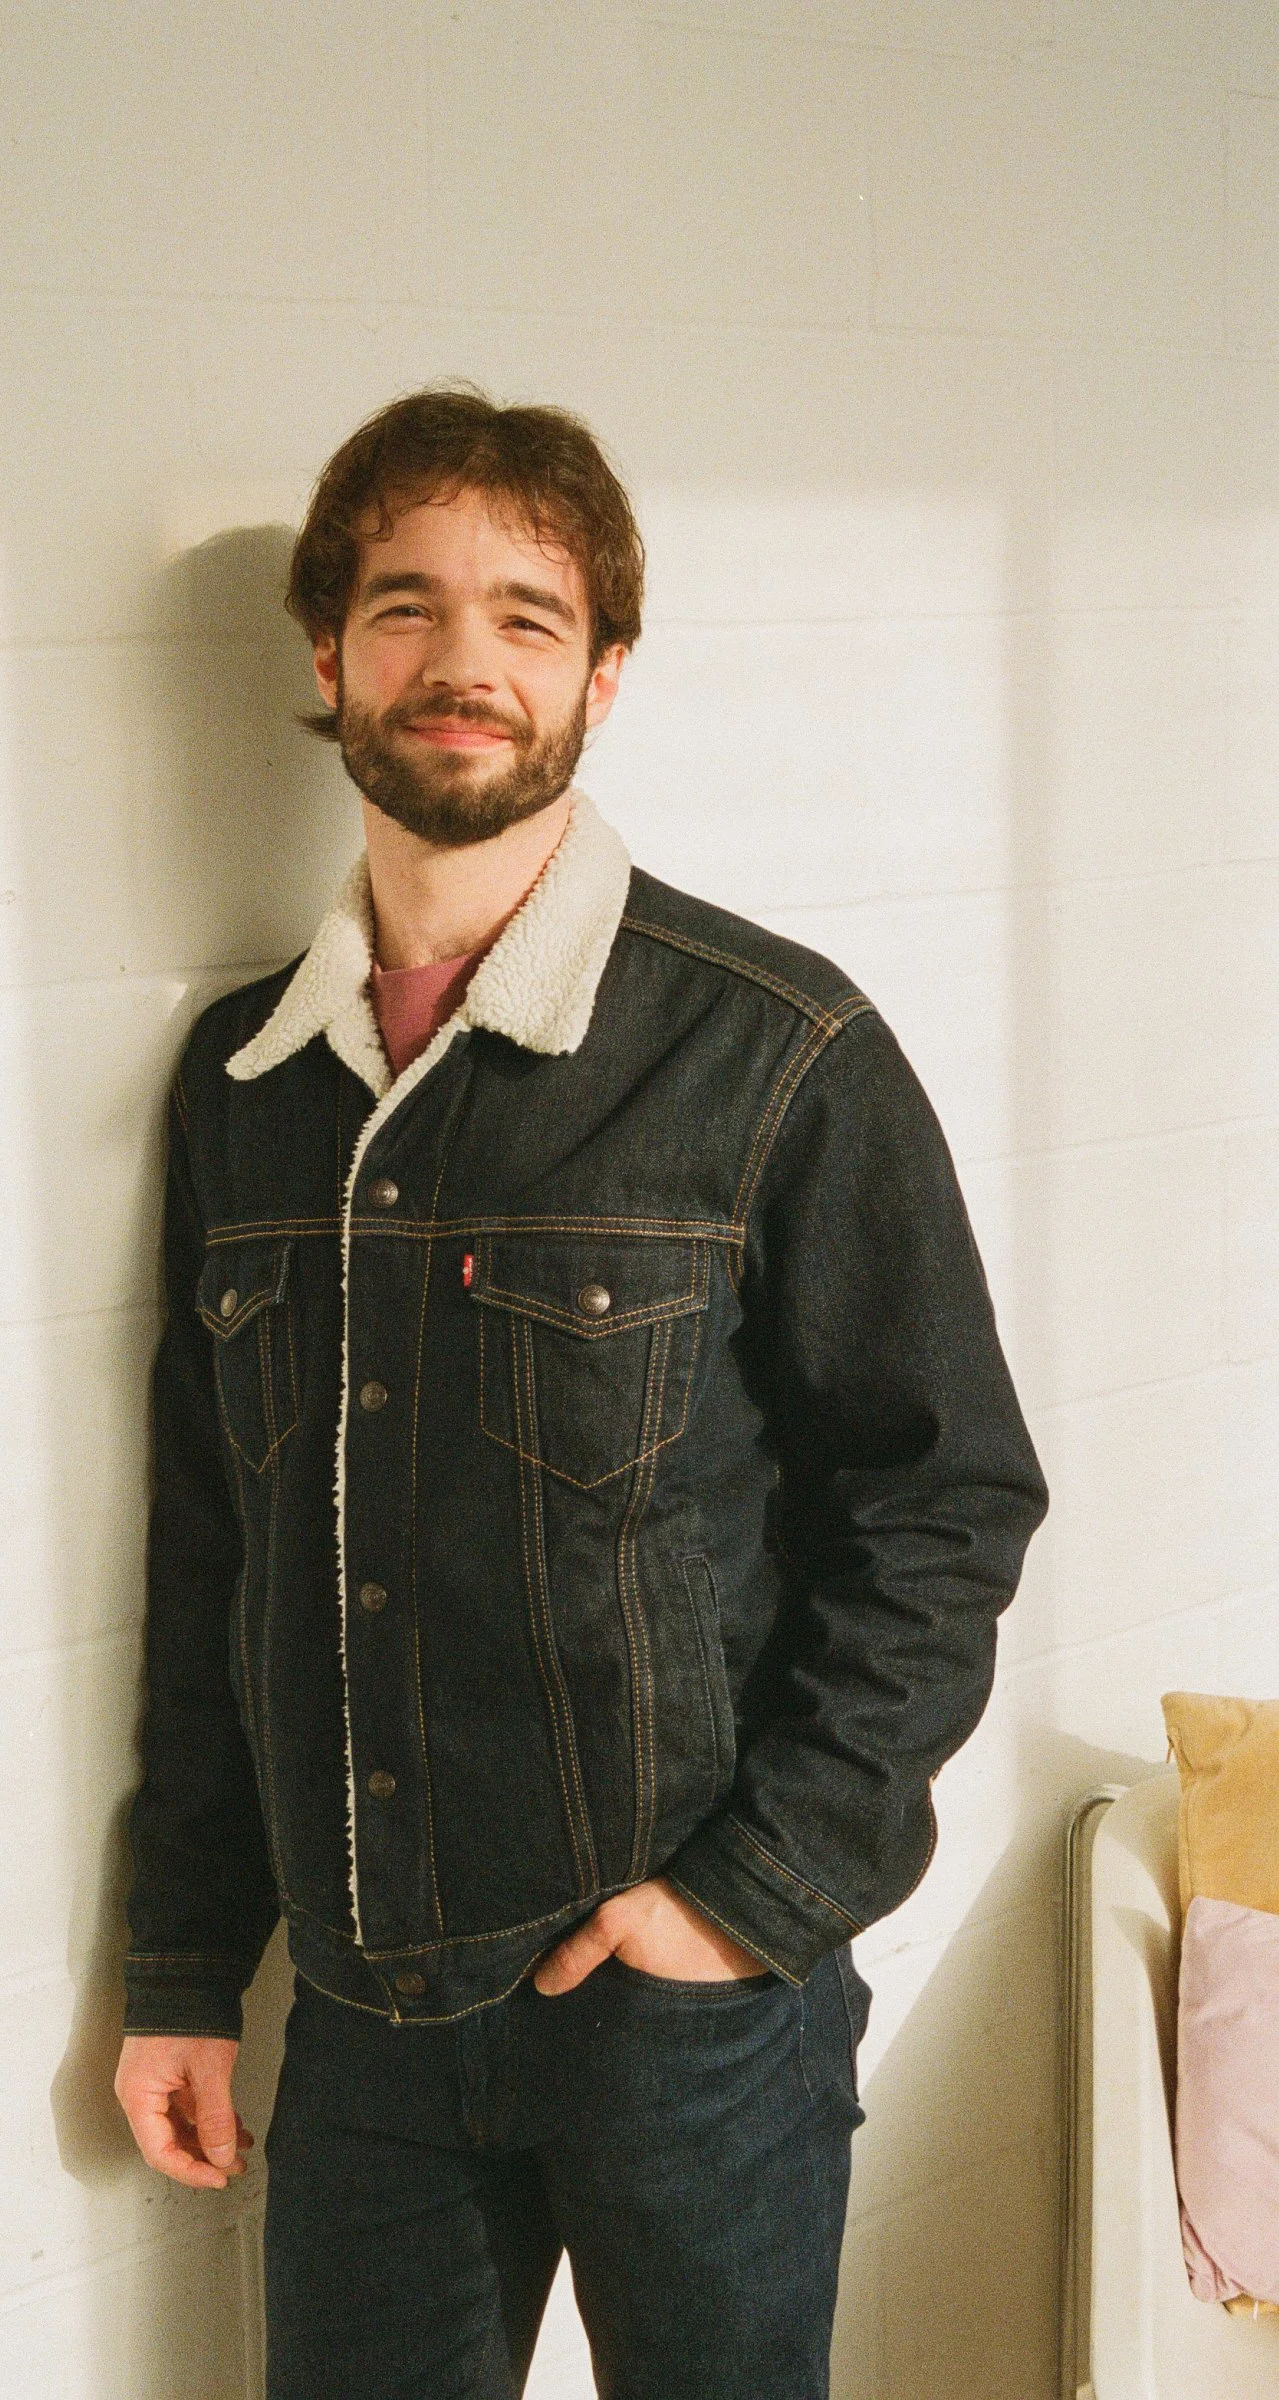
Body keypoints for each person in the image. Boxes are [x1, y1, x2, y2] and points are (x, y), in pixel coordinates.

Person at [114, 387, 1048, 2400]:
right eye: (406, 607)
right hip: (365, 2015)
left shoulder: (772, 1050)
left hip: (681, 2017)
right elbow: (216, 1563)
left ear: (603, 673)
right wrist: (182, 1965)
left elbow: (944, 1499)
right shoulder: (245, 1087)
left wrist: (747, 1898)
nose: (463, 662)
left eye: (527, 617)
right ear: (327, 654)